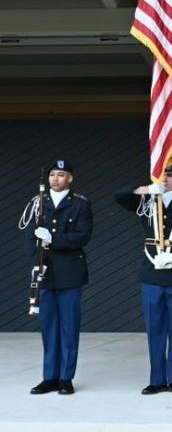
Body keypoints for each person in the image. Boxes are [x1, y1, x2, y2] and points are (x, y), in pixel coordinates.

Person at [113, 164, 172, 395]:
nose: (165, 179)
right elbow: (119, 195)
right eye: (161, 174)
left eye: (170, 175)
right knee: (155, 329)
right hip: (152, 271)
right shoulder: (147, 200)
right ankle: (157, 379)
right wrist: (144, 189)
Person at [22, 160, 93, 396]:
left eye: (61, 175)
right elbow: (30, 238)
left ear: (69, 179)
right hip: (45, 273)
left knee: (69, 327)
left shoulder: (80, 204)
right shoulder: (37, 203)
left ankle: (65, 378)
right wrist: (36, 258)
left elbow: (83, 236)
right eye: (52, 174)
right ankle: (49, 377)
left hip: (70, 272)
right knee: (48, 327)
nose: (55, 178)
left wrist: (53, 239)